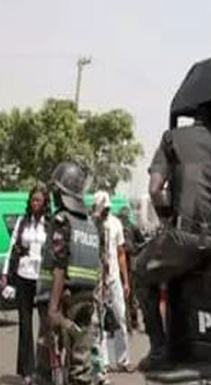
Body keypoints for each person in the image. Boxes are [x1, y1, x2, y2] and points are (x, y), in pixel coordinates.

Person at [135, 104, 211, 371]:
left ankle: (160, 352)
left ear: (195, 119)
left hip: (187, 236)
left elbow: (155, 190)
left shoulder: (172, 138)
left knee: (140, 273)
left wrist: (168, 219)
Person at [36, 162, 106, 385]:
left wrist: (53, 309)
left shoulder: (61, 221)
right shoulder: (91, 226)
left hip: (61, 301)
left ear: (62, 192)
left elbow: (59, 265)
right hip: (85, 302)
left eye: (56, 190)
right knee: (80, 368)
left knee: (47, 366)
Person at [0, 185, 49, 385]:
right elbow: (12, 247)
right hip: (23, 275)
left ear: (45, 202)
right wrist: (4, 274)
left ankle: (45, 368)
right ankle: (27, 371)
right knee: (25, 325)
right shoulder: (22, 222)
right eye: (33, 200)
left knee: (46, 324)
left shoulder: (50, 223)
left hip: (42, 277)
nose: (36, 203)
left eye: (39, 200)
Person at [92, 192, 135, 373]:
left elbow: (121, 254)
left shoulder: (116, 223)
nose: (106, 211)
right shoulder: (90, 224)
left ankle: (123, 359)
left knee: (120, 318)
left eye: (107, 208)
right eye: (103, 207)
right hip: (97, 278)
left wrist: (126, 281)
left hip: (114, 277)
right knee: (98, 322)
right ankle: (103, 361)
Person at [118, 206, 144, 331]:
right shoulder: (133, 227)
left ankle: (126, 322)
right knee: (132, 294)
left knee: (123, 294)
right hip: (129, 265)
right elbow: (142, 243)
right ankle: (133, 322)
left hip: (120, 265)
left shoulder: (117, 228)